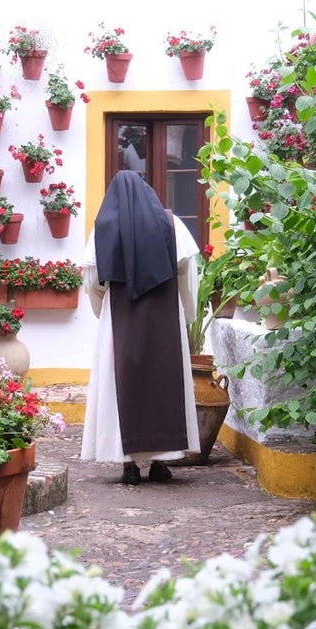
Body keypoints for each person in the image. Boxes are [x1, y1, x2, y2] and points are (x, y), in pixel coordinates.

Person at [78, 170, 200, 485]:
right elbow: (187, 271)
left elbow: (92, 279)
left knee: (119, 383)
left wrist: (104, 309)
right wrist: (186, 312)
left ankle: (129, 465)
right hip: (165, 315)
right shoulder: (172, 224)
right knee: (164, 380)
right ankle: (161, 462)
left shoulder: (103, 228)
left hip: (118, 316)